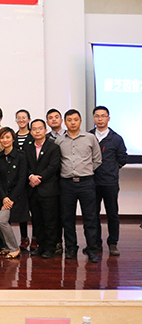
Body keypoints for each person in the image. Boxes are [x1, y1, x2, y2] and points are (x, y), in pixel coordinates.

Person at [54, 109, 102, 263]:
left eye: (75, 119)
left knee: (90, 218)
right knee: (67, 218)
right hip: (67, 184)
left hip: (86, 182)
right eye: (69, 120)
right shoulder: (59, 140)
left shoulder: (90, 138)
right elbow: (57, 161)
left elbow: (97, 159)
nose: (73, 122)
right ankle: (71, 248)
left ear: (80, 121)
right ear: (65, 122)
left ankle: (92, 249)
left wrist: (85, 171)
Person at [90, 106, 128, 256]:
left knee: (112, 214)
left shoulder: (116, 138)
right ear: (94, 118)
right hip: (91, 182)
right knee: (93, 214)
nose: (100, 119)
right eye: (97, 116)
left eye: (103, 116)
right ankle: (96, 243)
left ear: (108, 118)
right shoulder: (88, 136)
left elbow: (122, 159)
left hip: (110, 182)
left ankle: (113, 243)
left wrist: (111, 169)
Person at [24, 119, 61, 259]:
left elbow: (53, 166)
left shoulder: (53, 147)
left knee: (50, 220)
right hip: (32, 190)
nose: (37, 131)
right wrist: (31, 176)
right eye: (34, 129)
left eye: (40, 128)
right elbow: (25, 165)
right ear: (31, 132)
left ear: (45, 130)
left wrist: (39, 178)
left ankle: (50, 247)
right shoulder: (27, 147)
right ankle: (40, 246)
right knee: (37, 220)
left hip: (48, 189)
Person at [0, 127, 29, 259]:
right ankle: (7, 246)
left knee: (1, 220)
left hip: (18, 197)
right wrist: (4, 198)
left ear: (13, 139)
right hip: (4, 197)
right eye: (2, 138)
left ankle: (14, 248)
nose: (5, 140)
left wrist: (11, 198)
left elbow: (22, 179)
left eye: (7, 137)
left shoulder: (21, 156)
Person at [14, 109, 35, 251]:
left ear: (29, 120)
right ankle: (24, 237)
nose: (21, 120)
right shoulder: (13, 137)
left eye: (24, 117)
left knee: (35, 209)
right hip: (18, 178)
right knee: (22, 210)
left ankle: (35, 237)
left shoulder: (33, 136)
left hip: (32, 178)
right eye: (18, 118)